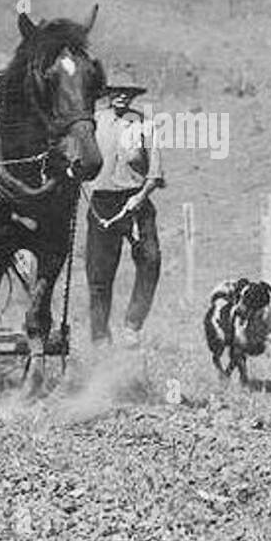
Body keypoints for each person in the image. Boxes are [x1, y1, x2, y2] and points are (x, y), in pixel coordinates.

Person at [86, 83, 163, 347]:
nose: (121, 97)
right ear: (108, 94)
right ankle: (99, 336)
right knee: (99, 274)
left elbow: (155, 173)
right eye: (116, 91)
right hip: (102, 204)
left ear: (133, 96)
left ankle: (132, 325)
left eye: (127, 93)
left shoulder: (143, 123)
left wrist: (139, 198)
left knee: (151, 260)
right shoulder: (94, 121)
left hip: (136, 202)